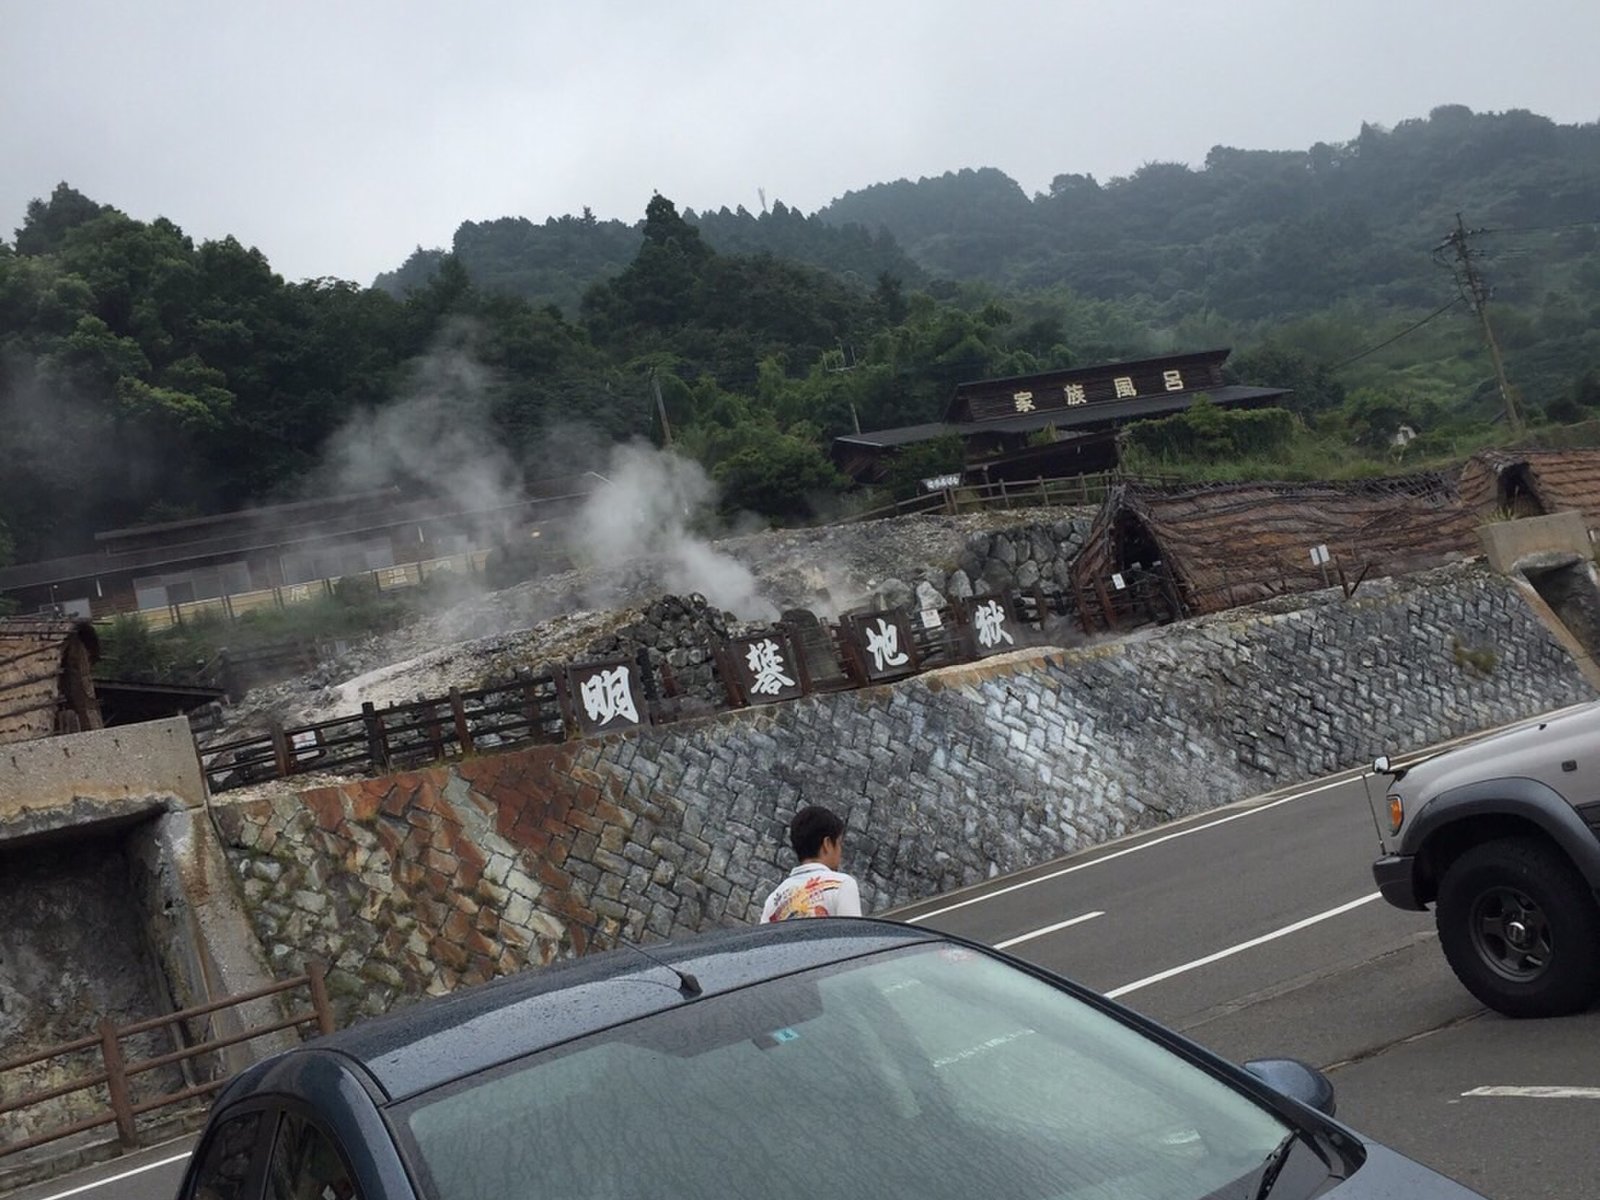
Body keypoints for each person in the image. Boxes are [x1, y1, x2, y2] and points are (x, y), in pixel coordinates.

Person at [760, 804, 862, 921]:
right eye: (839, 843)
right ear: (827, 844)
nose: (840, 851)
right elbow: (852, 937)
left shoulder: (773, 901)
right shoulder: (842, 885)